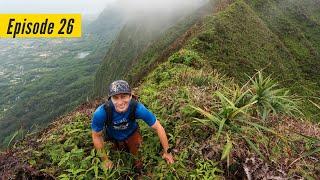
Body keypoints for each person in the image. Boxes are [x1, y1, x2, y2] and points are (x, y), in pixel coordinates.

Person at [91, 80, 174, 171]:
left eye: (124, 97)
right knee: (117, 160)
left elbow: (158, 127)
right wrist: (105, 160)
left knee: (139, 163)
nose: (120, 102)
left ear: (130, 96)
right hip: (112, 137)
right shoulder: (102, 113)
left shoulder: (137, 108)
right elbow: (96, 136)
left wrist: (167, 152)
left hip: (132, 134)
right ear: (110, 99)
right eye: (115, 97)